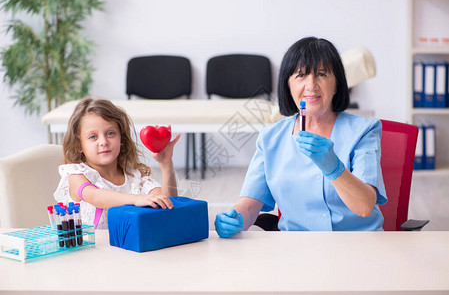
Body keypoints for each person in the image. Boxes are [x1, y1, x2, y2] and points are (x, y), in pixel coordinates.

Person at [215, 37, 387, 237]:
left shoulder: (363, 130)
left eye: (322, 74)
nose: (311, 85)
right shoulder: (270, 138)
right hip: (296, 249)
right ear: (288, 84)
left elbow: (364, 207)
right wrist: (234, 218)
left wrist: (335, 169)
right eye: (301, 75)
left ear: (337, 84)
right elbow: (250, 205)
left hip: (358, 245)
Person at [54, 98, 180, 229]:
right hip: (93, 248)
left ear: (122, 139)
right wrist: (136, 199)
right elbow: (96, 196)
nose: (103, 142)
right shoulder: (77, 175)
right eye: (93, 137)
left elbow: (168, 203)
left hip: (129, 247)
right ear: (79, 145)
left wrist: (166, 164)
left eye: (110, 133)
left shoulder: (134, 175)